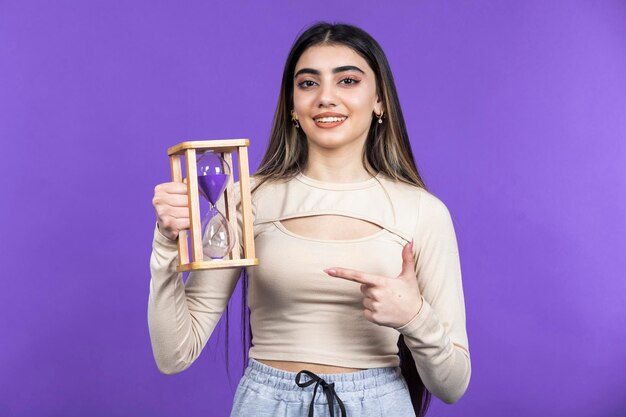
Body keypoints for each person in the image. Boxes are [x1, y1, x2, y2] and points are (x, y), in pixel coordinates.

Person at [148, 22, 471, 417]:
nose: (326, 98)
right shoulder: (246, 198)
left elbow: (452, 386)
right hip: (267, 403)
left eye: (348, 80)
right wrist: (167, 245)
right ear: (291, 105)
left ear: (380, 100)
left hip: (379, 404)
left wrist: (415, 318)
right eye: (307, 83)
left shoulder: (423, 211)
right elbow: (175, 354)